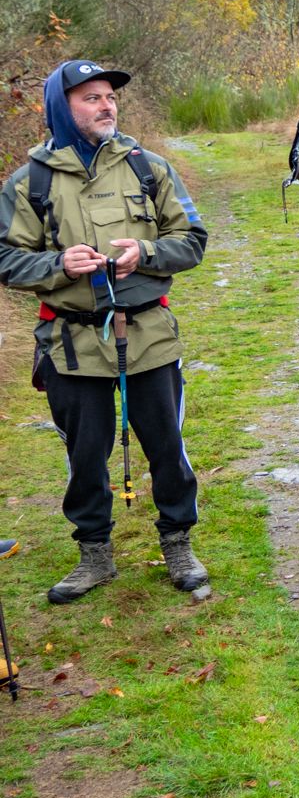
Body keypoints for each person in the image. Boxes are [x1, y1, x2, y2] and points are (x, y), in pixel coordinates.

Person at [0, 60, 209, 604]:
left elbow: (192, 238)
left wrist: (147, 253)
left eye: (108, 97)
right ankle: (94, 555)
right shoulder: (30, 182)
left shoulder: (149, 167)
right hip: (69, 345)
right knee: (84, 454)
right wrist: (57, 265)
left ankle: (178, 543)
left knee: (167, 446)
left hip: (150, 337)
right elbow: (5, 258)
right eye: (91, 98)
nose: (106, 105)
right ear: (61, 108)